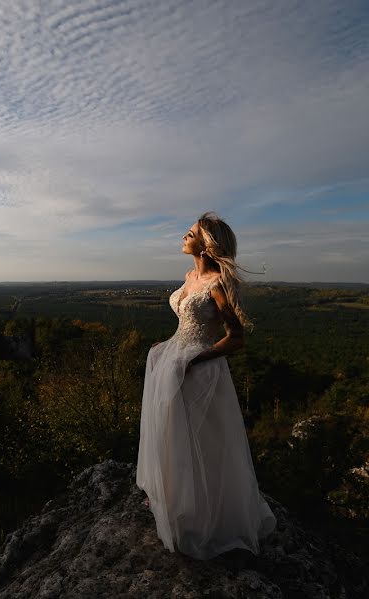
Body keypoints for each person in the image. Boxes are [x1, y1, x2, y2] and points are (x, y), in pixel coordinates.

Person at [136, 211, 276, 559]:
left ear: (207, 243)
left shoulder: (216, 284)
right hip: (173, 359)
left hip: (200, 366)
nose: (184, 237)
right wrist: (165, 347)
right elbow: (184, 323)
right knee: (171, 434)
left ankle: (207, 518)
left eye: (190, 233)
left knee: (202, 441)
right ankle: (173, 503)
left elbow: (236, 338)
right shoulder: (188, 276)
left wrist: (196, 359)